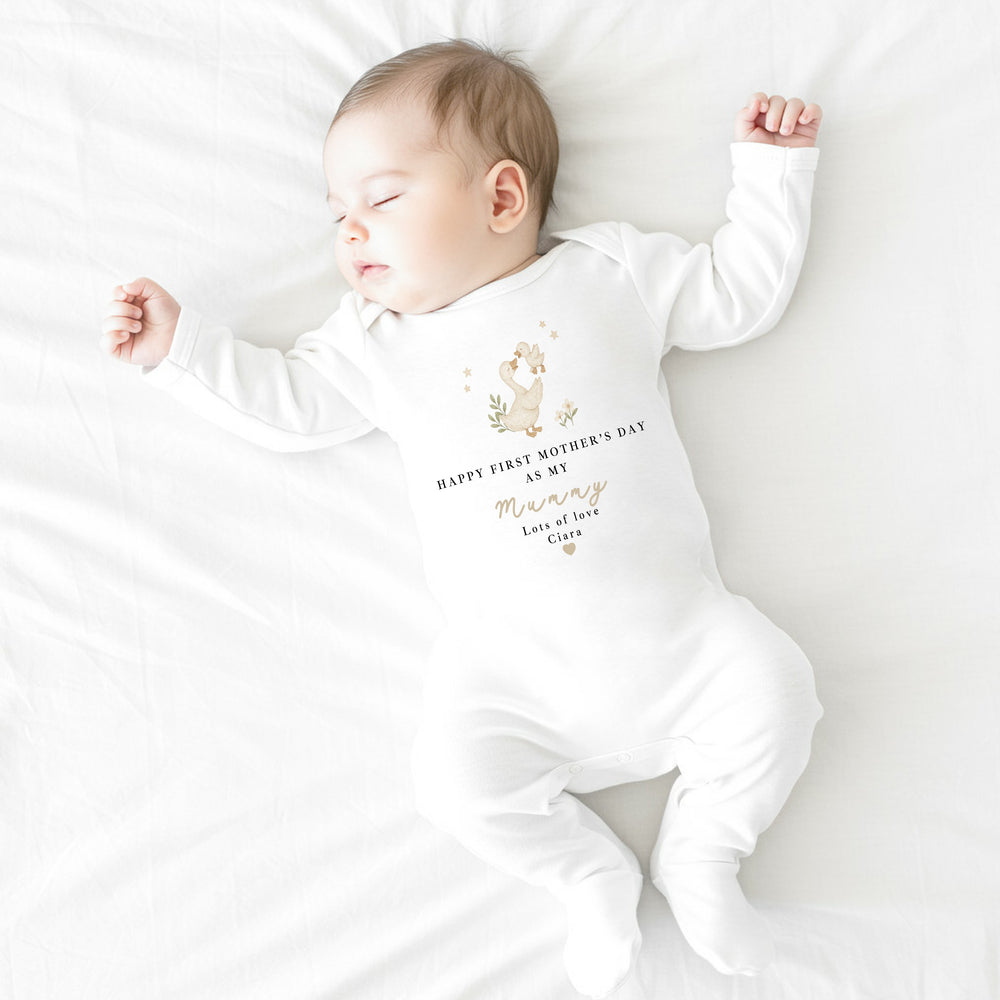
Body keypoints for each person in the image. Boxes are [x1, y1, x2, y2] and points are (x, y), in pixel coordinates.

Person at [101, 40, 824, 999]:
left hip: (685, 638)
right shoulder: (375, 345)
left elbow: (737, 294)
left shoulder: (610, 273)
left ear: (502, 197)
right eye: (338, 215)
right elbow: (290, 407)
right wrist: (181, 349)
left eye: (382, 199)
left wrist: (772, 174)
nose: (352, 232)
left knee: (778, 690)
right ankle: (586, 875)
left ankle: (706, 850)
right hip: (509, 676)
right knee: (455, 784)